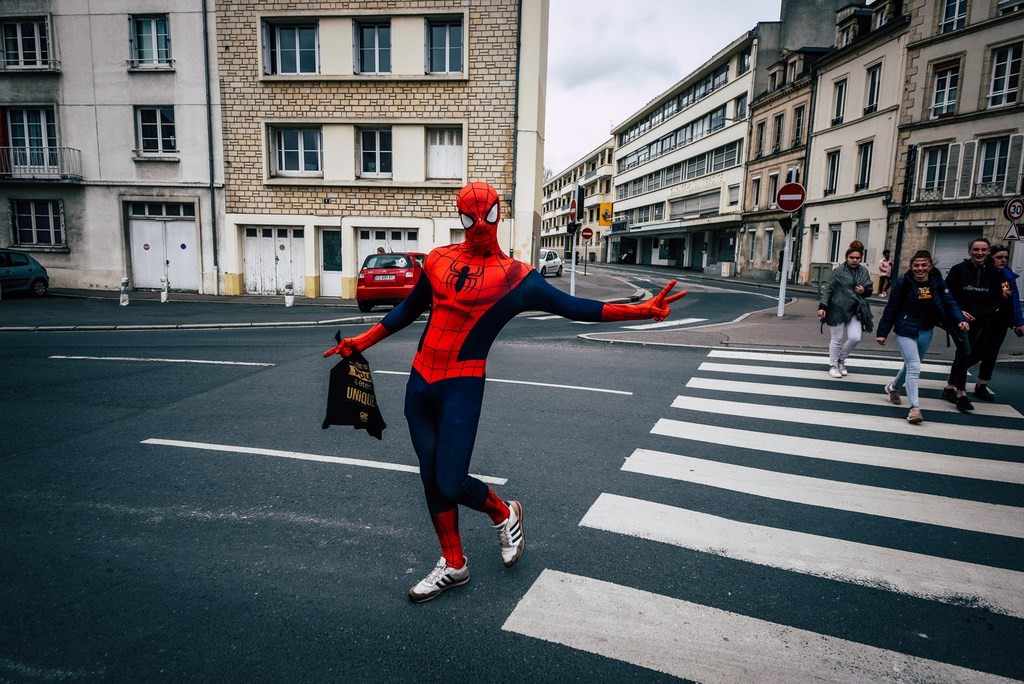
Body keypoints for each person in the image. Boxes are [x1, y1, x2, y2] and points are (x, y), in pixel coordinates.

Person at [323, 181, 685, 603]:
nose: (478, 224)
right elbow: (407, 309)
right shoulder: (438, 260)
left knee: (451, 479)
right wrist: (361, 342)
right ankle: (453, 563)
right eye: (469, 216)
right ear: (458, 217)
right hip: (419, 384)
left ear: (500, 214)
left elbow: (577, 307)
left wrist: (642, 309)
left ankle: (503, 512)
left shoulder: (517, 278)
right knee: (430, 480)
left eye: (488, 215)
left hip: (461, 385)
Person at [875, 250, 968, 424]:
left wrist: (960, 320)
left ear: (930, 266)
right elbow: (891, 309)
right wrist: (882, 333)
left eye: (924, 265)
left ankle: (893, 387)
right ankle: (914, 408)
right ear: (911, 267)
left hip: (926, 330)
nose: (920, 268)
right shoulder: (904, 284)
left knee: (911, 365)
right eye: (916, 265)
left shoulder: (937, 282)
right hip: (906, 330)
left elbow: (950, 302)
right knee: (915, 367)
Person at [941, 237, 1006, 412]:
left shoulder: (993, 273)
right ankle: (961, 394)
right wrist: (959, 311)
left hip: (980, 321)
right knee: (966, 351)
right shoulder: (958, 270)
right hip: (960, 319)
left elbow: (997, 299)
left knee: (964, 353)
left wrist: (982, 314)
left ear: (988, 252)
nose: (979, 253)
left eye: (983, 250)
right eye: (976, 249)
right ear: (969, 251)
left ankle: (949, 388)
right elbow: (947, 295)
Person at [972, 244, 1024, 401]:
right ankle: (955, 379)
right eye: (999, 257)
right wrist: (995, 291)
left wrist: (1018, 322)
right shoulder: (983, 273)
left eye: (1005, 258)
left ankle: (982, 385)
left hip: (1000, 321)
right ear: (990, 258)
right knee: (974, 352)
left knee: (991, 353)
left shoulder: (1007, 276)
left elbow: (1014, 300)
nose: (1003, 260)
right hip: (983, 319)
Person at [817, 241, 874, 378]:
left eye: (857, 258)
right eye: (851, 258)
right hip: (837, 309)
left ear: (861, 259)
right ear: (846, 257)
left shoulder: (863, 271)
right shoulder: (838, 272)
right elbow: (828, 290)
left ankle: (841, 359)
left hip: (856, 309)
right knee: (837, 338)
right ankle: (833, 365)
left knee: (855, 337)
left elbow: (870, 289)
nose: (854, 260)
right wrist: (822, 307)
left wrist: (864, 290)